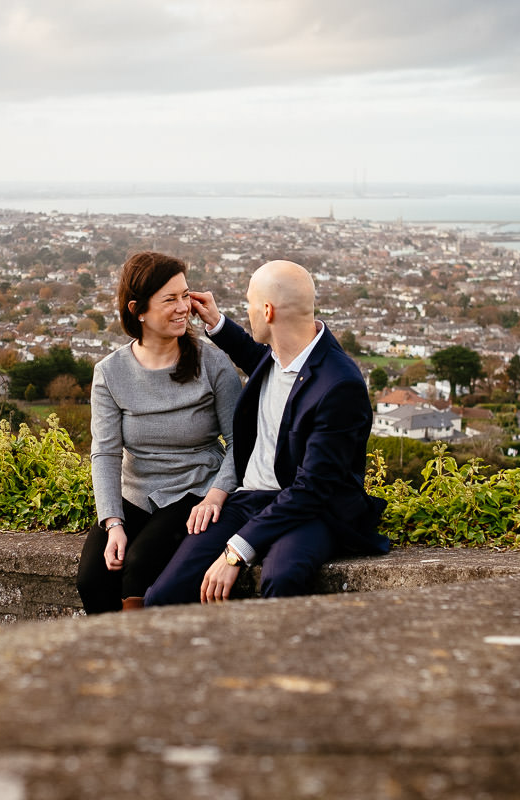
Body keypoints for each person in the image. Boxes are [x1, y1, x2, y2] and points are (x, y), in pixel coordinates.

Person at [144, 260, 389, 607]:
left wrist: (236, 551)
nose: (247, 311)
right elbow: (254, 353)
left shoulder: (339, 384)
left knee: (282, 578)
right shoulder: (281, 355)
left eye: (249, 304)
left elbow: (313, 488)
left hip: (312, 508)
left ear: (268, 311)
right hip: (249, 499)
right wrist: (217, 323)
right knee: (163, 596)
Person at [75, 252, 242, 614]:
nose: (184, 307)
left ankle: (142, 661)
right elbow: (105, 453)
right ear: (138, 310)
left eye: (186, 295)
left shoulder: (213, 364)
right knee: (92, 577)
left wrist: (216, 495)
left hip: (194, 488)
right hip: (136, 491)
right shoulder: (110, 372)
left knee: (139, 568)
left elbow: (241, 442)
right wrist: (113, 522)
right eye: (170, 299)